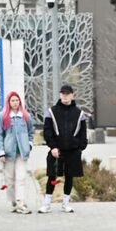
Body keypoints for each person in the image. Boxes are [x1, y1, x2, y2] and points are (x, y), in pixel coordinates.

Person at [40, 83, 89, 213]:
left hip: (73, 151)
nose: (65, 96)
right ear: (60, 95)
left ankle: (66, 203)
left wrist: (80, 147)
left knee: (69, 176)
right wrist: (53, 147)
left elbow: (83, 133)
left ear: (73, 96)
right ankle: (47, 204)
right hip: (56, 151)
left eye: (67, 94)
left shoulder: (80, 114)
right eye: (63, 93)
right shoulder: (51, 111)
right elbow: (47, 131)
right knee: (52, 176)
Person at [0, 89, 35, 214]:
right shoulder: (3, 116)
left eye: (17, 100)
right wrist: (0, 152)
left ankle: (20, 202)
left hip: (22, 153)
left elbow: (31, 132)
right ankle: (13, 201)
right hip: (8, 153)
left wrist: (29, 145)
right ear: (9, 102)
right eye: (13, 100)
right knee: (10, 180)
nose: (15, 102)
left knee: (21, 178)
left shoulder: (25, 116)